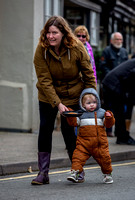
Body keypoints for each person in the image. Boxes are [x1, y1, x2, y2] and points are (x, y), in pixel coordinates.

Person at [31, 16, 96, 185]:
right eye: (48, 33)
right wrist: (58, 104)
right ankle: (43, 173)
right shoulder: (41, 50)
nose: (50, 36)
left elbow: (89, 74)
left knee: (69, 132)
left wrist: (90, 99)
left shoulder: (77, 47)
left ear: (63, 33)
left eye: (54, 33)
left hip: (73, 93)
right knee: (45, 129)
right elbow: (44, 79)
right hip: (48, 95)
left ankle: (77, 170)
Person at [66, 88, 115, 184]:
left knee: (105, 160)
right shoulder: (80, 114)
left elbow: (108, 124)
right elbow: (74, 123)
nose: (92, 105)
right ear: (83, 104)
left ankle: (108, 174)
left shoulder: (102, 113)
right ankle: (75, 173)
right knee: (77, 158)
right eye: (88, 103)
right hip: (84, 144)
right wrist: (70, 115)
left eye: (94, 102)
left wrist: (109, 117)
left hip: (100, 144)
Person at [100, 32, 128, 137]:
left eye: (120, 39)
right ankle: (108, 130)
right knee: (108, 108)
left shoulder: (124, 52)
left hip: (120, 86)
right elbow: (103, 66)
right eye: (117, 39)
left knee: (120, 109)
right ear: (112, 40)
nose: (119, 41)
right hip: (109, 85)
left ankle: (119, 131)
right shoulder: (106, 51)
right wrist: (112, 77)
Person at [102, 59, 135, 145]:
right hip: (113, 85)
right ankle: (122, 138)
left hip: (111, 83)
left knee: (119, 112)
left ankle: (122, 136)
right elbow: (131, 80)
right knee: (119, 112)